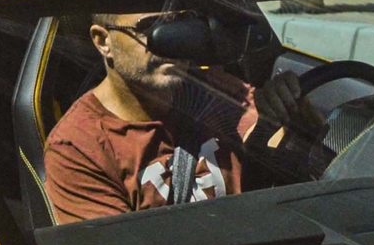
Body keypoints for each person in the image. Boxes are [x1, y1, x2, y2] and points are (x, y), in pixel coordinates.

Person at [43, 14, 323, 221]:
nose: (169, 44)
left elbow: (286, 151)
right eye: (149, 29)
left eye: (177, 26)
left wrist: (290, 109)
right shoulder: (77, 147)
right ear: (104, 41)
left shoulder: (213, 88)